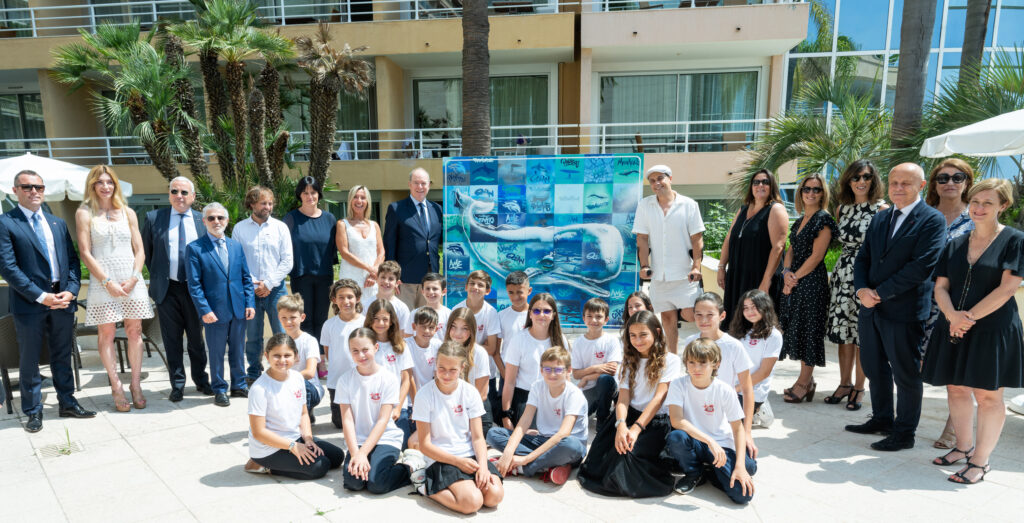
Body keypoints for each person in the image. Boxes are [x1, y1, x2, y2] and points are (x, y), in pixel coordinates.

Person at [922, 178, 1024, 484]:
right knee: (956, 388)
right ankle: (963, 447)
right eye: (976, 202)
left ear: (1003, 206)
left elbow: (1008, 289)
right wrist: (952, 316)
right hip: (953, 326)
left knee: (989, 397)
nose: (979, 209)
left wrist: (967, 318)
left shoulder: (1015, 240)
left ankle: (980, 462)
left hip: (993, 330)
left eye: (988, 203)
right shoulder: (954, 243)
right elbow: (940, 287)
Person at [848, 163, 946, 451]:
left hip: (903, 310)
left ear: (922, 185)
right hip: (871, 307)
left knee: (905, 374)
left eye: (906, 183)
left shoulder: (932, 220)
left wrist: (879, 293)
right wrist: (862, 290)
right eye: (894, 183)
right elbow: (863, 257)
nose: (899, 188)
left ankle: (904, 433)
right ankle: (881, 419)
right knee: (873, 367)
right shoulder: (881, 217)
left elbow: (921, 267)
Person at [0, 170, 95, 432]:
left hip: (63, 300)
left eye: (39, 187)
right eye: (27, 187)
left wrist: (72, 290)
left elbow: (73, 261)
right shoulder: (6, 223)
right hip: (30, 303)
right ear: (15, 190)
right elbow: (8, 268)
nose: (34, 191)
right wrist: (42, 297)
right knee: (29, 359)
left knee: (63, 354)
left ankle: (67, 402)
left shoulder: (57, 223)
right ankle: (33, 410)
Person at [76, 165, 153, 412]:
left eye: (109, 182)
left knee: (134, 331)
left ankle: (135, 385)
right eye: (100, 182)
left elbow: (139, 250)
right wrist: (106, 282)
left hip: (131, 279)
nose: (105, 186)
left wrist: (133, 278)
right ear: (92, 186)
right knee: (106, 333)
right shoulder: (84, 212)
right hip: (103, 281)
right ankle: (116, 387)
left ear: (115, 185)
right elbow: (85, 253)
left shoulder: (128, 212)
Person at [577, 310, 679, 498]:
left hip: (653, 421)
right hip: (628, 416)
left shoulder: (671, 361)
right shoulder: (628, 361)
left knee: (625, 461)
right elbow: (623, 398)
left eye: (643, 335)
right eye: (633, 335)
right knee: (598, 459)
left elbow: (659, 399)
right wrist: (621, 425)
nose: (637, 340)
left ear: (656, 332)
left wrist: (636, 429)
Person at [409, 341, 505, 514]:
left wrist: (482, 466)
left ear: (462, 368)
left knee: (494, 497)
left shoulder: (470, 392)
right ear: (435, 364)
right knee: (472, 503)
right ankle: (423, 485)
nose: (446, 374)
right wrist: (458, 462)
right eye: (441, 368)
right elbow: (424, 445)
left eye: (452, 370)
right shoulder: (424, 395)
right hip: (442, 458)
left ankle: (465, 482)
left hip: (469, 456)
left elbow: (477, 437)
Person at [142, 176, 213, 402]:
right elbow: (148, 254)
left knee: (196, 339)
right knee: (171, 340)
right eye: (175, 192)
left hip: (195, 291)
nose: (179, 196)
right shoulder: (154, 218)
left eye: (184, 192)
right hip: (167, 289)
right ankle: (177, 384)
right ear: (169, 194)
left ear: (192, 197)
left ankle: (201, 380)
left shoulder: (203, 221)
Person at [825, 160, 888, 412]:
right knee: (843, 333)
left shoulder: (882, 210)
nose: (861, 181)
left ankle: (860, 388)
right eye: (855, 177)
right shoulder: (842, 209)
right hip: (842, 274)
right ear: (848, 181)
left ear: (874, 180)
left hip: (867, 276)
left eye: (866, 177)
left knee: (863, 335)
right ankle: (843, 383)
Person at [923, 159, 976, 450]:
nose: (950, 183)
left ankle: (953, 428)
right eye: (943, 178)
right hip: (921, 300)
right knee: (916, 362)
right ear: (934, 184)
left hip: (957, 302)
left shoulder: (975, 218)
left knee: (957, 366)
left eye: (958, 177)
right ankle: (903, 418)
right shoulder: (924, 215)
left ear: (966, 182)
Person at [665, 337, 756, 503]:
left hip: (721, 446)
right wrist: (709, 441)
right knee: (676, 437)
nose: (696, 368)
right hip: (697, 442)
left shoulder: (724, 390)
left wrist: (740, 466)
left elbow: (738, 429)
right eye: (691, 362)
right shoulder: (678, 384)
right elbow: (676, 420)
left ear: (716, 364)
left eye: (702, 363)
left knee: (743, 494)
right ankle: (694, 473)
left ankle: (712, 471)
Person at [244, 333, 345, 479]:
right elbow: (259, 432)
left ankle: (295, 451)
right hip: (269, 448)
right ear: (267, 356)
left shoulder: (297, 378)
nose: (282, 360)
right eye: (276, 355)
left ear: (296, 356)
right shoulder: (259, 389)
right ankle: (260, 464)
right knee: (319, 466)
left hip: (294, 438)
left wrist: (308, 439)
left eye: (287, 355)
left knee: (337, 457)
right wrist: (293, 446)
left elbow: (303, 413)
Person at [186, 202, 256, 407]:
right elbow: (194, 284)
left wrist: (250, 303)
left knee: (237, 349)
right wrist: (204, 310)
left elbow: (245, 278)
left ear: (226, 221)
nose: (216, 221)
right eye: (211, 218)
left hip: (239, 308)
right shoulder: (195, 248)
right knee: (216, 352)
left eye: (220, 218)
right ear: (204, 221)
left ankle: (239, 385)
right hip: (213, 311)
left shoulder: (236, 246)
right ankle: (219, 388)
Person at [487, 346, 588, 485]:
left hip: (568, 446)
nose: (552, 374)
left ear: (568, 371)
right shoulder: (537, 386)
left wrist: (525, 459)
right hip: (543, 439)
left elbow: (562, 434)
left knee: (570, 445)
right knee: (493, 434)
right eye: (547, 369)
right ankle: (549, 465)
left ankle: (524, 468)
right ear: (541, 370)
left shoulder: (574, 394)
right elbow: (524, 422)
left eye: (558, 369)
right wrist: (508, 452)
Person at [633, 164, 705, 353]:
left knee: (693, 315)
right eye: (652, 181)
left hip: (684, 273)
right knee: (667, 319)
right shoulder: (644, 205)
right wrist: (644, 265)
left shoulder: (689, 205)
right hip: (659, 275)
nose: (657, 183)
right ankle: (672, 360)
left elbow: (697, 238)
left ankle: (703, 354)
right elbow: (642, 238)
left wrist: (696, 267)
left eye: (660, 178)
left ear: (670, 179)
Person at [779, 174, 836, 404]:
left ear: (823, 194)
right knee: (800, 328)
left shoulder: (824, 219)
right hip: (797, 280)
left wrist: (793, 278)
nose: (811, 193)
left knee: (810, 330)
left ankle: (804, 382)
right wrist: (785, 272)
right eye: (807, 189)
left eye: (817, 189)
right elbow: (791, 248)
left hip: (812, 282)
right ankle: (806, 381)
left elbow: (817, 256)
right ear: (800, 192)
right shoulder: (801, 219)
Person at [337, 328, 413, 493]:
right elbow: (347, 420)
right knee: (353, 483)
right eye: (355, 351)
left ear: (376, 348)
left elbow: (382, 420)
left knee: (376, 484)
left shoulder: (388, 379)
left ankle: (409, 469)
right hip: (358, 440)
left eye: (365, 350)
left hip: (385, 438)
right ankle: (365, 462)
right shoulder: (344, 380)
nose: (361, 355)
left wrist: (363, 453)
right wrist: (356, 453)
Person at [681, 293, 756, 456]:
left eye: (710, 315)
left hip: (722, 416)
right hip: (695, 415)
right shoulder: (689, 342)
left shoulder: (734, 346)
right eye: (698, 315)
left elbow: (747, 389)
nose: (703, 320)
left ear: (722, 315)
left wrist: (747, 432)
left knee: (748, 465)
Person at [233, 186, 293, 384]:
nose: (268, 207)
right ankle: (253, 372)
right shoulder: (240, 228)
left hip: (276, 290)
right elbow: (236, 259)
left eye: (270, 203)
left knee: (281, 332)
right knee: (253, 336)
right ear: (252, 204)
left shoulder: (280, 228)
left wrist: (268, 283)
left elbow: (287, 261)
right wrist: (253, 282)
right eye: (263, 203)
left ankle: (282, 371)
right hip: (249, 291)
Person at [717, 169, 788, 324]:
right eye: (756, 182)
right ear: (751, 186)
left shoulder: (775, 209)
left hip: (760, 277)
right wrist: (722, 267)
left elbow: (778, 247)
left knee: (757, 326)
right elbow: (729, 238)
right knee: (736, 325)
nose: (760, 185)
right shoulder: (743, 209)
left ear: (772, 186)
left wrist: (766, 281)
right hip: (737, 276)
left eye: (765, 182)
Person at [284, 176, 337, 351]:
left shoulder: (330, 219)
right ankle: (305, 357)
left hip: (324, 277)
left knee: (321, 319)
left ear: (318, 194)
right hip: (301, 276)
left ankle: (320, 360)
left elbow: (333, 250)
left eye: (313, 192)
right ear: (300, 195)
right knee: (304, 319)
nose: (309, 196)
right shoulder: (291, 219)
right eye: (305, 193)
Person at [501, 293, 569, 428]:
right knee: (530, 436)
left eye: (547, 311)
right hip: (525, 398)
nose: (541, 315)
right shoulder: (519, 340)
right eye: (537, 310)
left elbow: (566, 378)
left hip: (553, 397)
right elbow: (509, 382)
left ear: (554, 315)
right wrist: (506, 415)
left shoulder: (561, 340)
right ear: (530, 314)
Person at [383, 167, 442, 309]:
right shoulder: (396, 208)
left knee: (427, 323)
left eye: (423, 183)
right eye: (416, 183)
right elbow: (389, 244)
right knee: (404, 324)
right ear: (409, 184)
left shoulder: (437, 209)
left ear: (429, 185)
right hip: (405, 280)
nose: (420, 187)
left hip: (430, 279)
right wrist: (392, 277)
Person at [728, 289, 782, 428]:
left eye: (754, 307)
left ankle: (761, 407)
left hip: (751, 390)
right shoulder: (740, 330)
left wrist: (736, 389)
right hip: (733, 386)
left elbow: (764, 372)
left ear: (765, 307)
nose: (750, 311)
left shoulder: (773, 335)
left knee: (730, 427)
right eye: (745, 308)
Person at [364, 299, 414, 446]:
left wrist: (398, 407)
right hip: (372, 406)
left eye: (385, 319)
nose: (380, 323)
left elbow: (406, 379)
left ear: (392, 321)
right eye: (376, 319)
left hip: (396, 407)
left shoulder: (401, 346)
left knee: (401, 446)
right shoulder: (365, 345)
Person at [451, 270, 502, 407]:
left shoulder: (491, 313)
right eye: (472, 283)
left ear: (487, 291)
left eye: (480, 285)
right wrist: (480, 346)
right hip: (460, 371)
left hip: (485, 373)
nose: (475, 287)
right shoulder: (457, 309)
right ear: (466, 287)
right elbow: (453, 344)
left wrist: (465, 344)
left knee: (484, 413)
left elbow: (491, 349)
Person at [321, 278, 366, 429]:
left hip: (360, 380)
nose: (346, 301)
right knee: (339, 423)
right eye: (341, 297)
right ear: (334, 300)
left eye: (350, 297)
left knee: (360, 420)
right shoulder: (329, 325)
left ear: (357, 298)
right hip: (337, 381)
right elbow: (328, 352)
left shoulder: (365, 323)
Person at [571, 298, 622, 427]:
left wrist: (587, 376)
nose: (594, 320)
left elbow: (611, 371)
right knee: (577, 416)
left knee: (605, 379)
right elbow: (576, 374)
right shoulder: (578, 343)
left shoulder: (612, 341)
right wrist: (597, 367)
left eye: (598, 317)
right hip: (588, 389)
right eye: (590, 316)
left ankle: (602, 418)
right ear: (583, 318)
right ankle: (597, 407)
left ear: (606, 319)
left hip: (608, 386)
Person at [443, 308, 493, 434]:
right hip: (448, 408)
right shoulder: (442, 351)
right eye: (454, 327)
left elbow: (482, 394)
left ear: (471, 331)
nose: (458, 333)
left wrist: (461, 414)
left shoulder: (479, 353)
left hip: (475, 411)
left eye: (464, 328)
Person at [276, 294, 322, 425]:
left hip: (310, 388)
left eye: (293, 317)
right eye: (284, 318)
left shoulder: (309, 341)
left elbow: (310, 372)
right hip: (287, 387)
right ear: (279, 318)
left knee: (301, 386)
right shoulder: (279, 342)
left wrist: (286, 379)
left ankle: (303, 420)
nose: (288, 322)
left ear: (302, 318)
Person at [336, 184, 384, 297]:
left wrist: (374, 273)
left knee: (373, 313)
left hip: (372, 281)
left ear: (367, 201)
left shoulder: (374, 225)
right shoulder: (342, 224)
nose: (359, 201)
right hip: (350, 279)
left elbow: (381, 252)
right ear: (350, 200)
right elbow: (344, 253)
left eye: (363, 197)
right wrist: (370, 269)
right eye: (355, 197)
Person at [495, 271, 531, 418]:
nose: (515, 297)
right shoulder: (502, 316)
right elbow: (496, 351)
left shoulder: (537, 314)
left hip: (530, 373)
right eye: (511, 292)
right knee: (507, 413)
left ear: (529, 291)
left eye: (520, 292)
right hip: (507, 373)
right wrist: (505, 374)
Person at [360, 260, 411, 332]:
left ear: (397, 283)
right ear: (377, 279)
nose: (386, 281)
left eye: (391, 279)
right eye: (383, 277)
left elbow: (403, 334)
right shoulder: (366, 304)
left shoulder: (402, 308)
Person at [404, 272, 450, 340]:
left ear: (443, 291)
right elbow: (408, 337)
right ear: (422, 291)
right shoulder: (415, 313)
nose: (431, 292)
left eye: (435, 289)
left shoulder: (449, 314)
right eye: (427, 289)